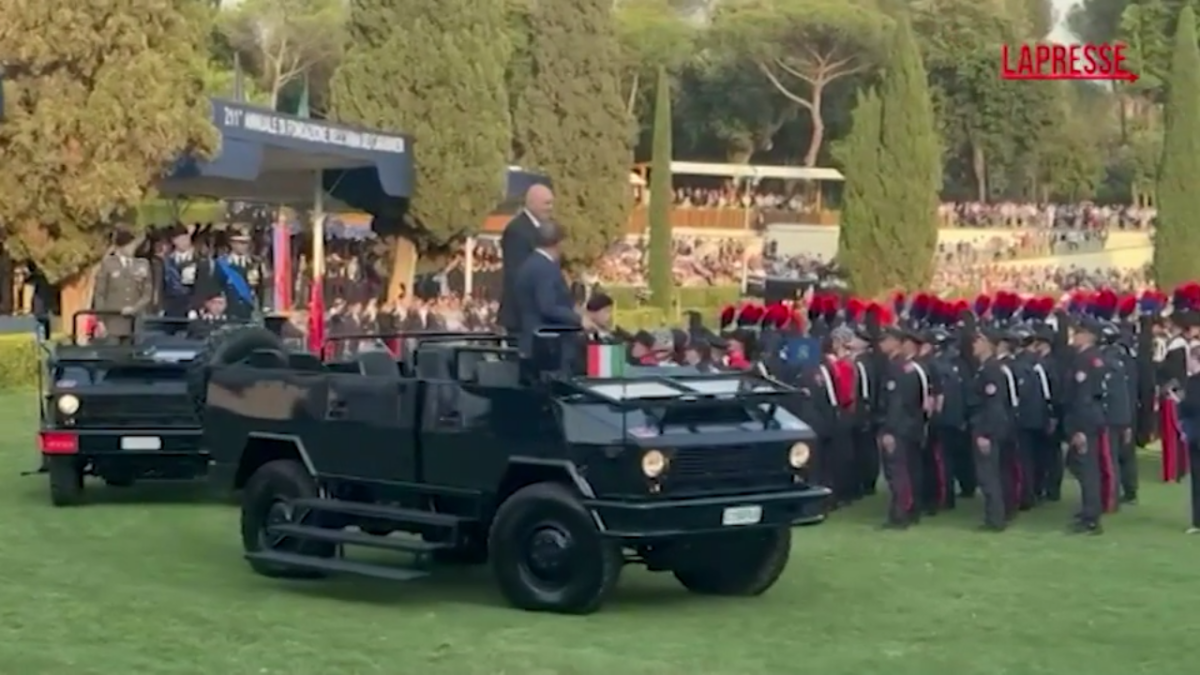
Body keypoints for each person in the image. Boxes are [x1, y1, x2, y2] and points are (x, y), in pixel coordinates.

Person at [1062, 318, 1109, 535]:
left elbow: (1083, 396)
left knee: (1086, 467)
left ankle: (1091, 516)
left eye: (1080, 332)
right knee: (1079, 464)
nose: (1075, 335)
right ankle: (1090, 509)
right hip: (1092, 417)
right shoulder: (1096, 358)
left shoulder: (1084, 360)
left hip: (1085, 419)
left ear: (1089, 336)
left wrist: (1078, 429)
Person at [512, 219, 581, 357]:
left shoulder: (530, 264)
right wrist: (578, 318)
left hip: (532, 340)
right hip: (546, 345)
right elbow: (548, 307)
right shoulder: (544, 268)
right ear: (558, 243)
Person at [499, 184, 554, 334]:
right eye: (546, 203)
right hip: (523, 318)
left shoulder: (543, 228)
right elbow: (518, 276)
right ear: (531, 203)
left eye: (551, 203)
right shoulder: (517, 230)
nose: (550, 207)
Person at [92, 228, 152, 339]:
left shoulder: (142, 264)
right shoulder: (108, 264)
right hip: (113, 321)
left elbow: (147, 294)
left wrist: (135, 308)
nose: (133, 248)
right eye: (130, 245)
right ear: (121, 247)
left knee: (134, 352)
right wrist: (100, 320)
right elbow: (100, 294)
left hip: (135, 321)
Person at [212, 227, 265, 320]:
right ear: (232, 243)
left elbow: (260, 289)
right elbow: (217, 288)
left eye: (246, 243)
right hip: (231, 311)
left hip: (250, 311)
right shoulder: (222, 264)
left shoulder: (255, 263)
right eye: (241, 243)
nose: (244, 246)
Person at [161, 224, 205, 319]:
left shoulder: (199, 260)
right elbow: (162, 286)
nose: (183, 242)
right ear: (174, 241)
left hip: (192, 306)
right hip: (171, 308)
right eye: (179, 239)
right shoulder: (167, 261)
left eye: (185, 238)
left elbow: (203, 286)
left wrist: (197, 307)